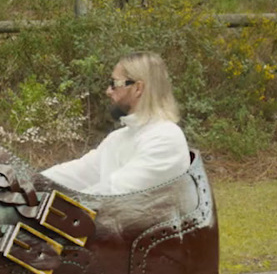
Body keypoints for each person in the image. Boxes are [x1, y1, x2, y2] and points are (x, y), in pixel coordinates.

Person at [41, 51, 191, 195]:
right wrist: (34, 182)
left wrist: (53, 203)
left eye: (114, 83)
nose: (108, 91)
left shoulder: (165, 138)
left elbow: (115, 194)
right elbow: (80, 173)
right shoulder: (120, 137)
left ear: (138, 88)